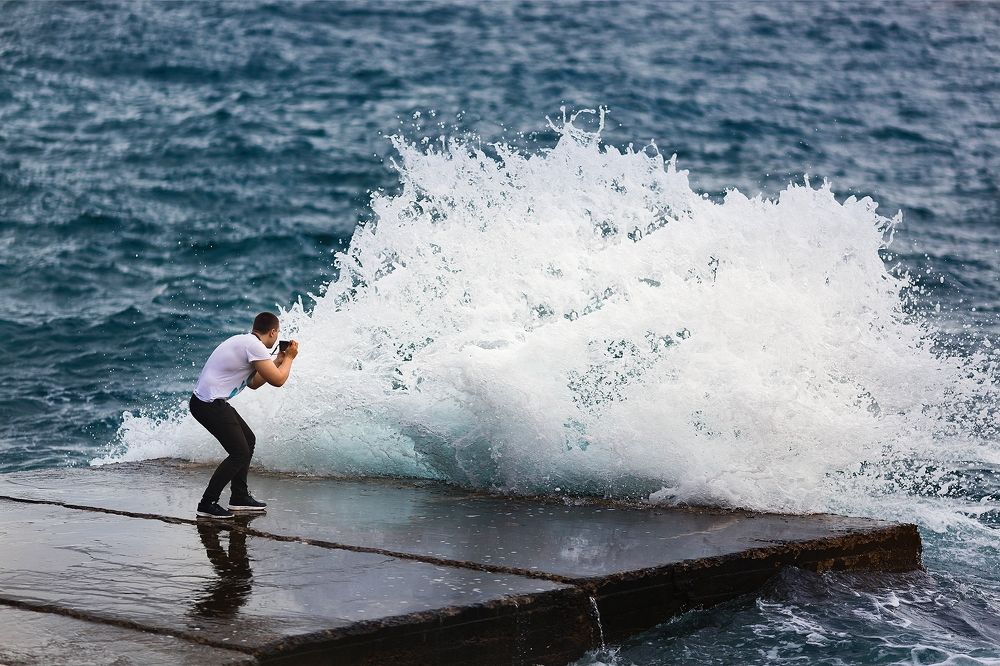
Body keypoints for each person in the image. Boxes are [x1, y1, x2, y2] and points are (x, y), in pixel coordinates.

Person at [189, 312, 299, 519]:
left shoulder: (246, 342)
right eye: (278, 333)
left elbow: (254, 383)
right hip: (208, 404)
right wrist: (290, 359)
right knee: (239, 452)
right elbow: (278, 381)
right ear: (273, 332)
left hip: (208, 402)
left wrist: (277, 361)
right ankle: (207, 503)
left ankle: (239, 497)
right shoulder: (254, 346)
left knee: (248, 440)